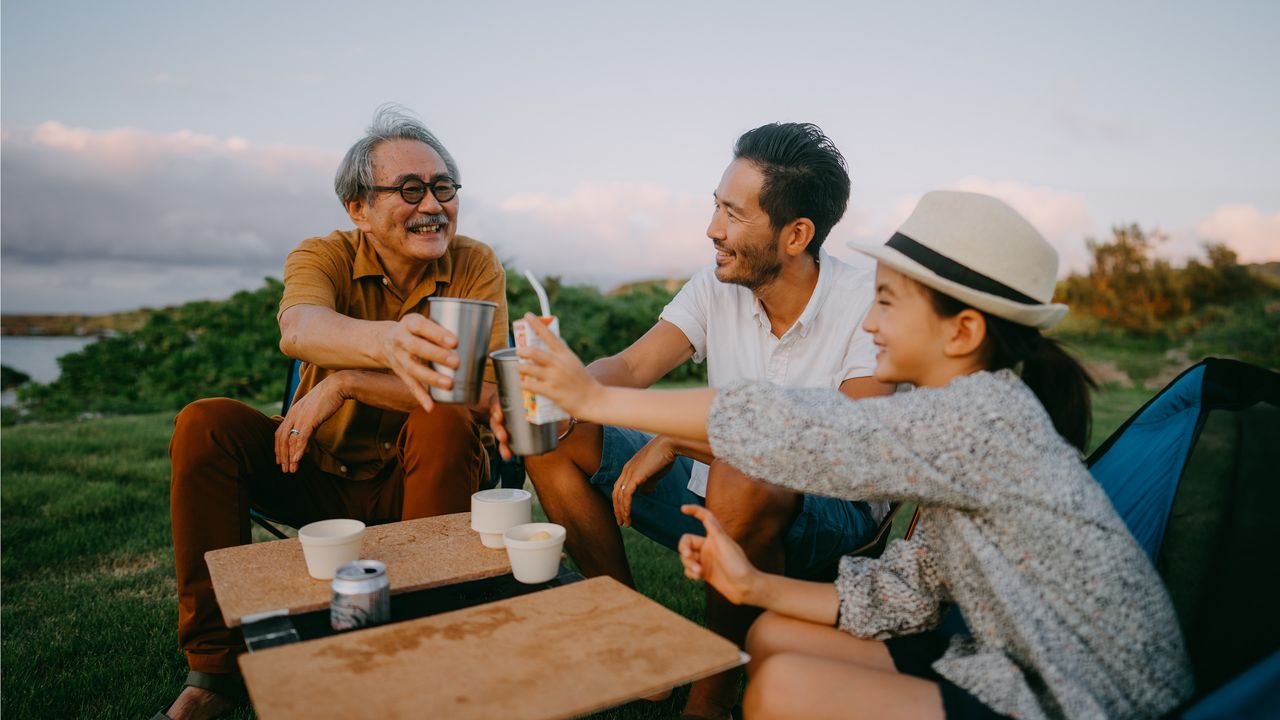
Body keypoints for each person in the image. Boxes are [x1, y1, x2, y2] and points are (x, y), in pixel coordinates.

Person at [512, 191, 1194, 719]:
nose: (870, 323)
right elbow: (908, 594)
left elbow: (793, 427)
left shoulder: (980, 422)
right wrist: (753, 588)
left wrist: (592, 400)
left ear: (963, 330)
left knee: (779, 687)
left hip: (1085, 702)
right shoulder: (975, 420)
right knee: (774, 634)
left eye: (889, 303)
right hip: (1018, 667)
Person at [492, 122, 893, 719]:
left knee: (742, 469)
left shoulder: (864, 301)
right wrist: (551, 395)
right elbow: (629, 365)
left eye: (733, 214)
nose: (712, 229)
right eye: (715, 206)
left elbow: (846, 439)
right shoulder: (716, 286)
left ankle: (718, 680)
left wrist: (677, 440)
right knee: (557, 436)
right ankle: (637, 639)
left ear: (796, 235)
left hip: (834, 512)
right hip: (720, 483)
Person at [160, 106, 508, 720]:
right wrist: (385, 345)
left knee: (445, 416)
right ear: (358, 209)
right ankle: (215, 671)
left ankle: (414, 649)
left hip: (423, 480)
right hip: (314, 472)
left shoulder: (475, 264)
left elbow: (481, 395)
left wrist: (347, 381)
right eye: (408, 189)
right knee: (204, 423)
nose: (432, 203)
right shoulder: (322, 254)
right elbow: (299, 328)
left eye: (443, 186)